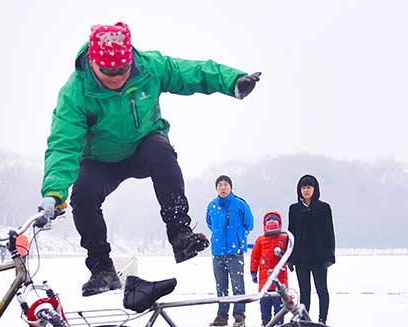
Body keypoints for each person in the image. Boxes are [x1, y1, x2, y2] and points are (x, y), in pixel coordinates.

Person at [39, 22, 262, 296]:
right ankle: (102, 268)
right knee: (82, 195)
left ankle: (180, 233)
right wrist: (53, 190)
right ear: (94, 64)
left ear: (130, 60)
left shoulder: (150, 67)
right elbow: (63, 144)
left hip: (143, 144)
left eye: (122, 70)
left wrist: (232, 80)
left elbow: (191, 72)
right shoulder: (75, 93)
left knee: (162, 153)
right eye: (108, 72)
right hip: (100, 159)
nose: (116, 78)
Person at [206, 175, 254, 327]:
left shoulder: (240, 204)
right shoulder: (212, 205)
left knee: (237, 285)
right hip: (218, 252)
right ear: (216, 188)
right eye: (220, 184)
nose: (223, 187)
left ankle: (239, 315)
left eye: (225, 184)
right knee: (221, 286)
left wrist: (239, 237)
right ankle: (222, 315)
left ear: (231, 187)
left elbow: (249, 224)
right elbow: (209, 223)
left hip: (235, 251)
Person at [286, 174, 335, 323]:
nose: (306, 190)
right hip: (301, 258)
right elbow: (291, 233)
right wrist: (290, 257)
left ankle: (322, 319)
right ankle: (304, 319)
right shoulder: (294, 209)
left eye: (309, 187)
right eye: (303, 188)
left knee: (321, 290)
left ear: (315, 189)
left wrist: (329, 256)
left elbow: (329, 233)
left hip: (319, 257)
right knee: (304, 291)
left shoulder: (323, 208)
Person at [250, 211, 289, 327]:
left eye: (274, 222)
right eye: (269, 222)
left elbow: (289, 254)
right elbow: (255, 257)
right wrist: (253, 271)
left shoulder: (284, 238)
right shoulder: (261, 239)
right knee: (265, 302)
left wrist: (283, 255)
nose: (272, 224)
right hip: (264, 277)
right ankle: (265, 321)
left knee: (279, 302)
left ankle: (279, 322)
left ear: (279, 224)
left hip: (280, 276)